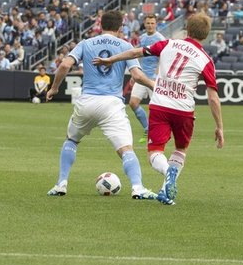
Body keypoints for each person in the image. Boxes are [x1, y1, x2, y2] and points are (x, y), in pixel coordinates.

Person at [92, 12, 224, 206]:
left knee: (155, 152)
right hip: (184, 110)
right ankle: (165, 190)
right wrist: (219, 126)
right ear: (205, 35)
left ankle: (166, 176)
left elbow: (135, 52)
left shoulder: (167, 44)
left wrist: (112, 59)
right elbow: (213, 98)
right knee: (180, 150)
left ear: (186, 28)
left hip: (161, 104)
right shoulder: (205, 59)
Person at [44, 10, 157, 199]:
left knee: (71, 140)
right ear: (120, 27)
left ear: (101, 25)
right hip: (111, 104)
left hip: (87, 101)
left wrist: (54, 88)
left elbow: (64, 66)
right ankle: (138, 188)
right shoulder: (125, 45)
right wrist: (155, 85)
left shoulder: (85, 43)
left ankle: (61, 184)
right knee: (126, 149)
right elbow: (137, 76)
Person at [128, 14, 164, 143]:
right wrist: (135, 72)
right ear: (145, 24)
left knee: (157, 107)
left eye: (152, 23)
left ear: (156, 24)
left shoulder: (160, 38)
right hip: (142, 76)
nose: (150, 25)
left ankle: (159, 134)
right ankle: (147, 129)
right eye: (148, 23)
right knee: (133, 103)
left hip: (154, 78)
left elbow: (163, 57)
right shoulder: (142, 38)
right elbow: (138, 56)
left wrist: (157, 72)